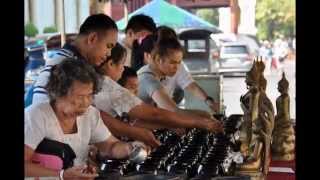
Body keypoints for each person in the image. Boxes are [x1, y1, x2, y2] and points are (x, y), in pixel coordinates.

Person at [25, 59, 148, 179]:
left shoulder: (90, 114)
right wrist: (61, 175)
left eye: (89, 95)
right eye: (80, 96)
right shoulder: (36, 116)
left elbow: (110, 146)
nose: (86, 102)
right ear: (59, 93)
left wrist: (130, 148)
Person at [93, 43, 224, 137]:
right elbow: (156, 114)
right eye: (122, 64)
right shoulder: (112, 88)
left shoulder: (104, 84)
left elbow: (132, 121)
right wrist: (202, 121)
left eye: (179, 63)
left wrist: (169, 126)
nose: (177, 67)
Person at [32, 13, 118, 104]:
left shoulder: (73, 61)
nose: (109, 54)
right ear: (92, 38)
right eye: (109, 46)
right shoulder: (66, 66)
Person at [136, 27, 220, 112]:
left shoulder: (164, 72)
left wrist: (208, 101)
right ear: (158, 59)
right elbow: (174, 111)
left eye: (179, 62)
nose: (176, 67)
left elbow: (191, 86)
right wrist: (205, 116)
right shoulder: (148, 78)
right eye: (172, 62)